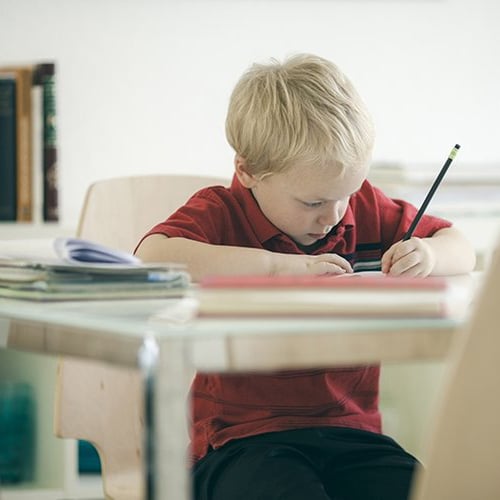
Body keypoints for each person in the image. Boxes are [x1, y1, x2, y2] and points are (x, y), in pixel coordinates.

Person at [135, 53, 476, 500]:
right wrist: (279, 269)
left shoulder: (364, 208)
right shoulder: (222, 211)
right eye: (313, 203)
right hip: (240, 445)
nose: (334, 216)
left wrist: (428, 253)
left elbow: (462, 248)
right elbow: (152, 256)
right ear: (249, 171)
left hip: (354, 437)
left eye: (346, 195)